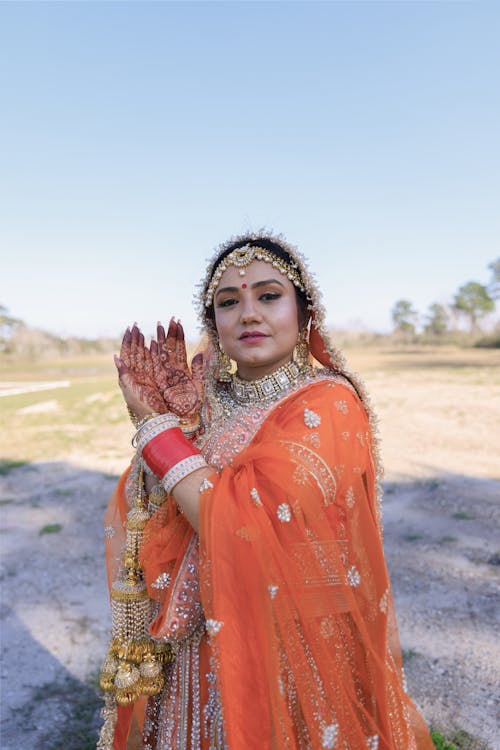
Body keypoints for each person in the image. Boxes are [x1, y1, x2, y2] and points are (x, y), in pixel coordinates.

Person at [97, 233, 433, 750]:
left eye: (269, 295)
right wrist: (177, 424)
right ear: (213, 323)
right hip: (194, 643)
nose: (248, 313)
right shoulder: (206, 402)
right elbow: (152, 514)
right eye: (228, 302)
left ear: (304, 311)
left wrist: (156, 432)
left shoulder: (327, 402)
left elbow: (242, 518)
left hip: (283, 641)